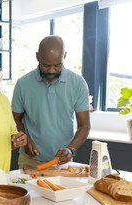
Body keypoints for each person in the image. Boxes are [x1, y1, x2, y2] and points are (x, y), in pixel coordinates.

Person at [11, 35, 90, 168]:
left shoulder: (78, 83)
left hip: (62, 162)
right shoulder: (23, 84)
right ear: (37, 57)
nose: (52, 71)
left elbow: (84, 126)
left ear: (64, 56)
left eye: (57, 65)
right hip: (29, 160)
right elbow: (15, 119)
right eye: (46, 65)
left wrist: (70, 149)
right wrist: (26, 139)